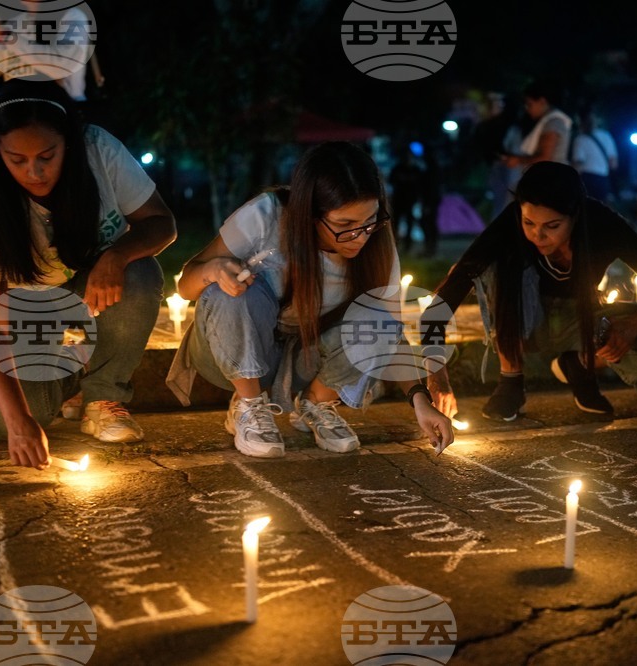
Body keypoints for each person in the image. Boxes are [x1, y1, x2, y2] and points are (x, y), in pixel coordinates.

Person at [166, 142, 453, 458]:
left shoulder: (377, 245)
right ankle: (248, 406)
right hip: (232, 350)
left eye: (370, 221)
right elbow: (187, 285)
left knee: (380, 319)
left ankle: (315, 405)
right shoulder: (267, 217)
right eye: (344, 225)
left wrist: (420, 400)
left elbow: (388, 333)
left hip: (306, 357)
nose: (360, 236)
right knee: (225, 290)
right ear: (308, 212)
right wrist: (214, 269)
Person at [0, 79, 176, 468]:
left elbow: (161, 224)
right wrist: (18, 420)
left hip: (87, 288)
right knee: (0, 420)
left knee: (140, 272)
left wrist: (117, 256)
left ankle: (102, 395)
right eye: (17, 160)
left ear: (69, 143)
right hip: (18, 313)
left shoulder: (98, 150)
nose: (34, 172)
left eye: (47, 155)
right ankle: (68, 368)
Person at [423, 162, 637, 421]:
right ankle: (511, 380)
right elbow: (441, 302)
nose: (537, 236)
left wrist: (636, 323)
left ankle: (578, 365)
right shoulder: (509, 224)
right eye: (529, 223)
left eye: (552, 226)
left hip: (581, 319)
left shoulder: (604, 226)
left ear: (575, 215)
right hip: (523, 320)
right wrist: (438, 380)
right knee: (491, 268)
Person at [0, 0, 97, 101]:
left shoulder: (72, 16)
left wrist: (5, 36)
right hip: (21, 120)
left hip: (63, 118)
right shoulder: (14, 25)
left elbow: (62, 67)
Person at [501, 80, 572, 171]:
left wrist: (518, 160)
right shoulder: (549, 121)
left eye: (529, 104)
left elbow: (545, 158)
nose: (527, 109)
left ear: (542, 101)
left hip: (552, 178)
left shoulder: (552, 123)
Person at [570, 107, 619, 202]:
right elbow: (613, 164)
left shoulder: (580, 139)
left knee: (586, 210)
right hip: (603, 180)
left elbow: (577, 164)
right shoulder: (607, 136)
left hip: (586, 179)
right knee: (600, 211)